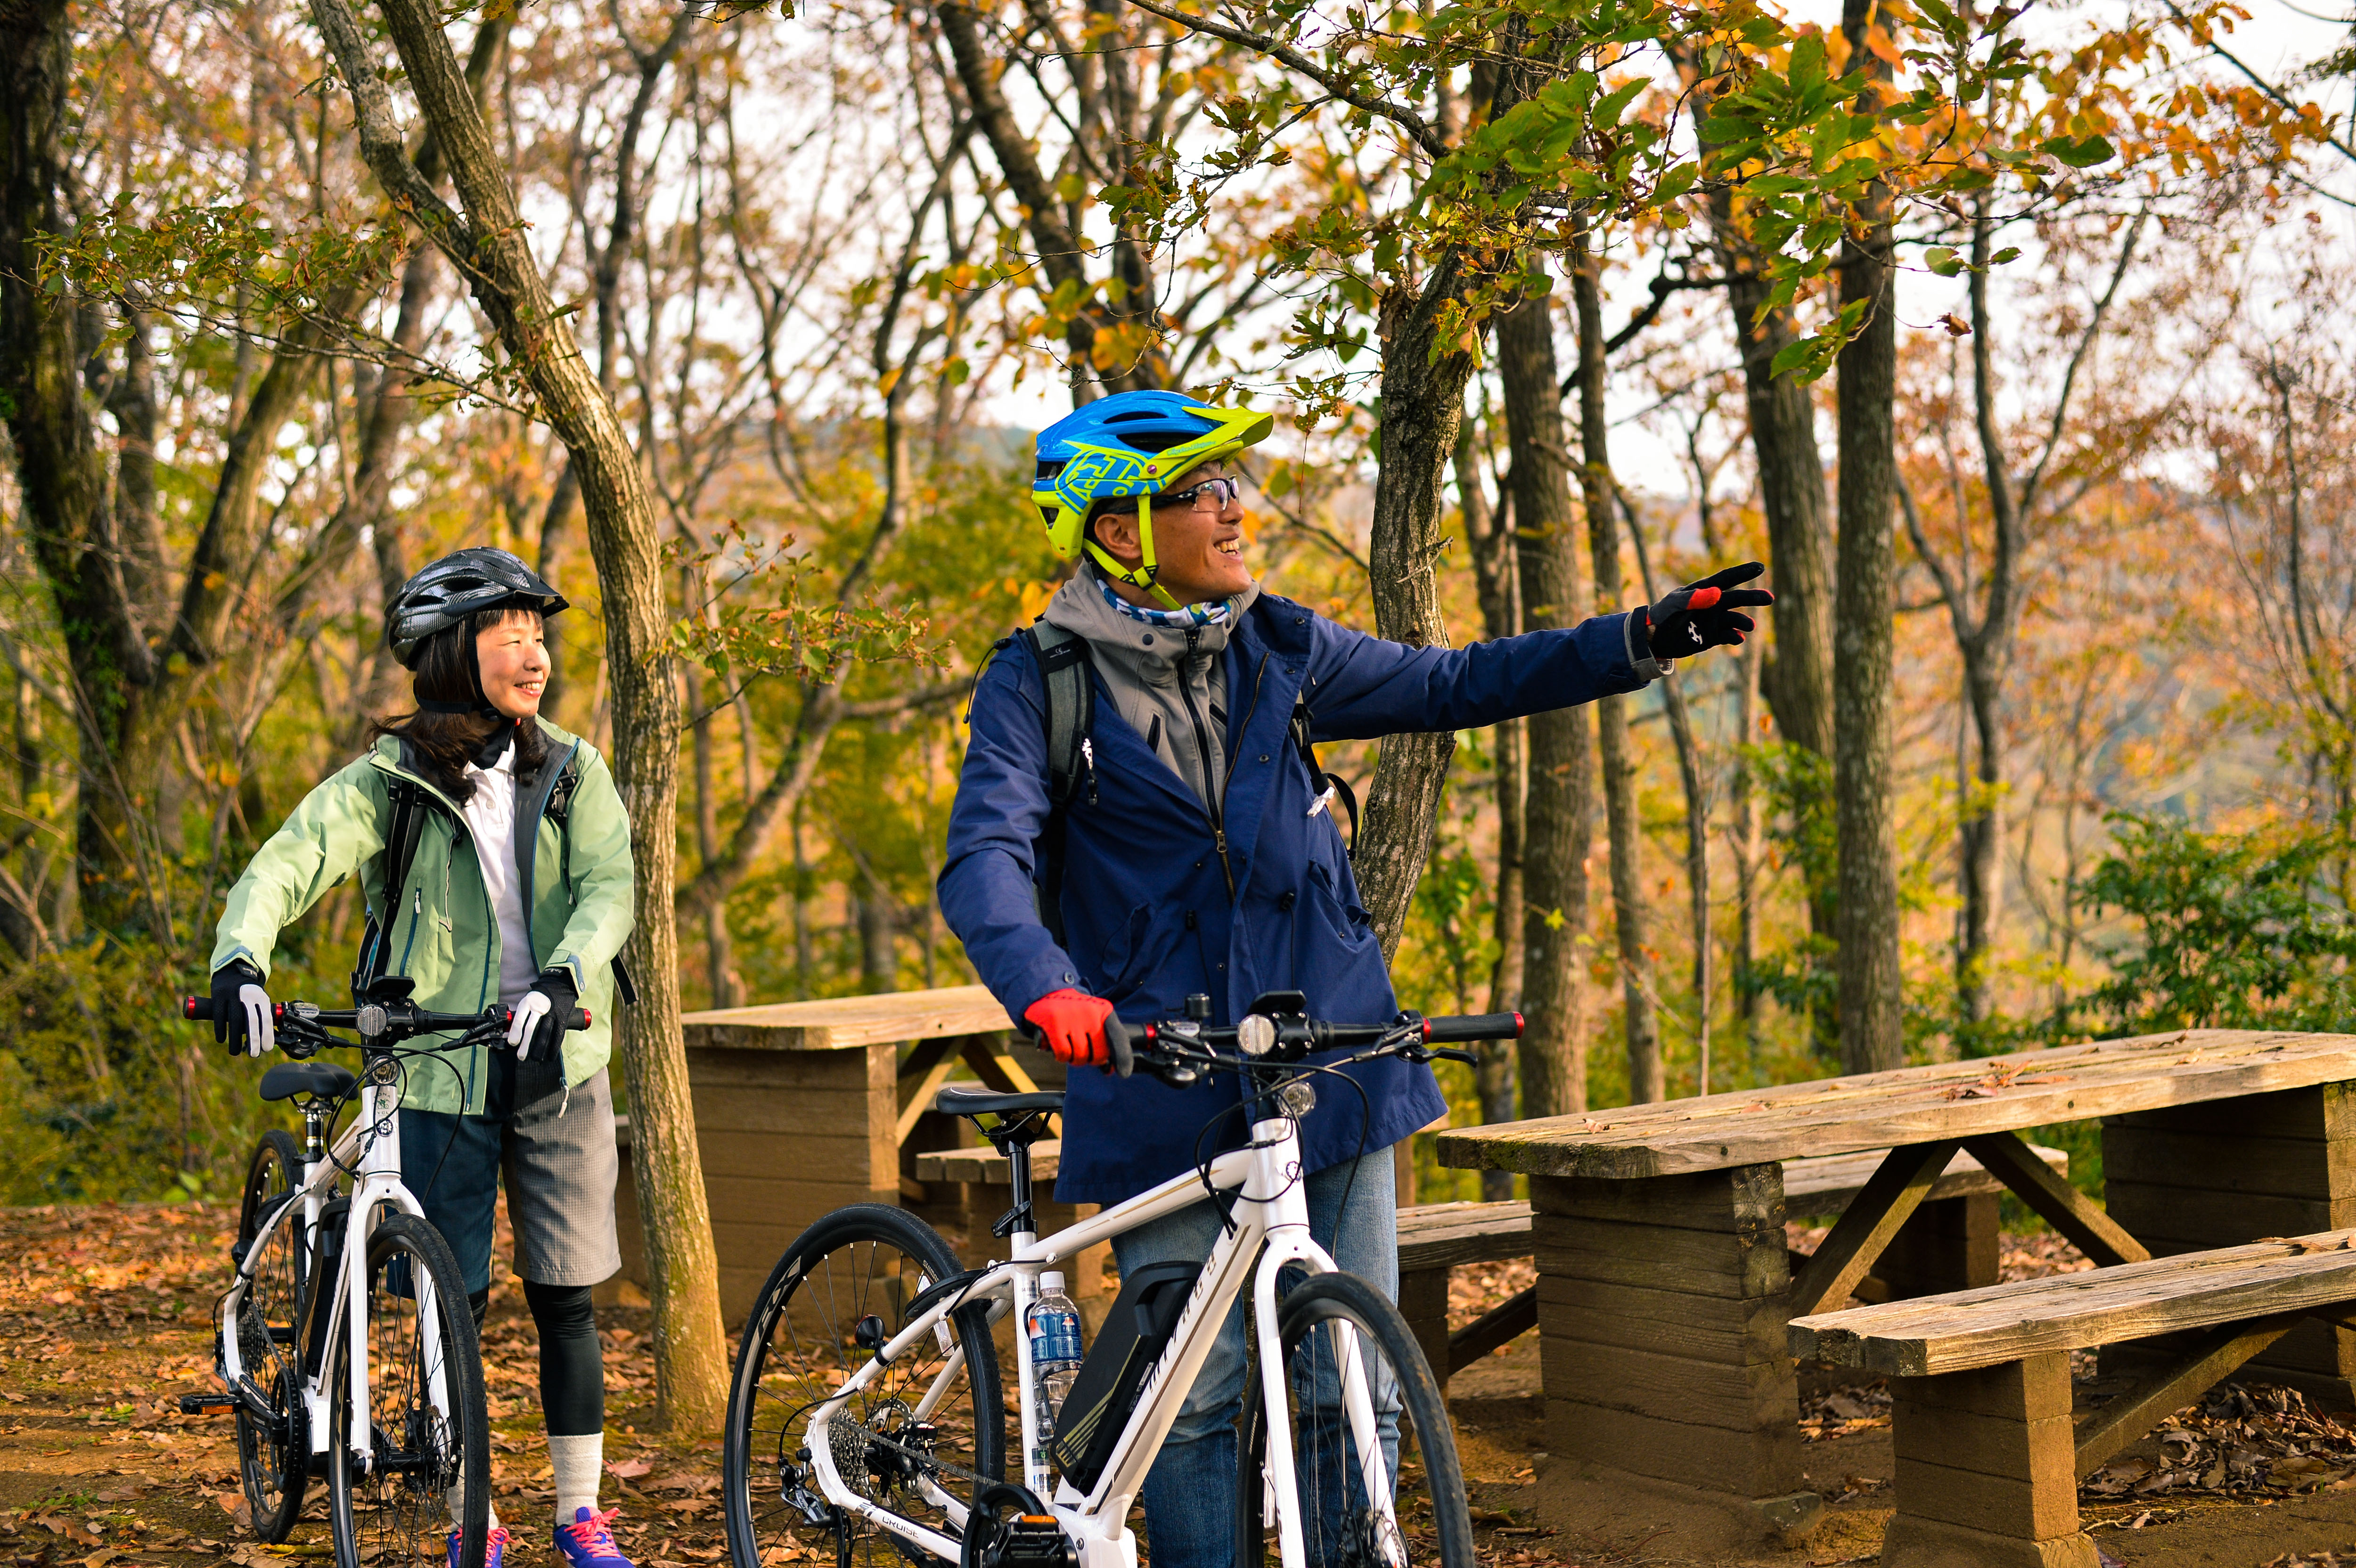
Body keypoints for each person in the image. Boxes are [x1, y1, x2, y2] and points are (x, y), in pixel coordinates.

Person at [938, 390, 1770, 1568]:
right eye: (1204, 494)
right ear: (1119, 529)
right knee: (1199, 1393)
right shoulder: (1039, 683)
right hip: (1163, 1075)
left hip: (1332, 1053)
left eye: (1236, 487)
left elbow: (1454, 682)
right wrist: (1045, 987)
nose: (1236, 513)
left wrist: (1639, 637)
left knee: (1352, 1379)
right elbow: (987, 857)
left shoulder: (1278, 646)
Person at [208, 548, 639, 1568]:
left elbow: (609, 888)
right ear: (455, 651)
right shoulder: (389, 781)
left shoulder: (573, 768)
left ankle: (580, 1512)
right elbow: (290, 860)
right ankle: (467, 1507)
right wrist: (240, 958)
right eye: (511, 631)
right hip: (436, 1063)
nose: (535, 650)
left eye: (541, 632)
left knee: (566, 1296)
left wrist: (569, 975)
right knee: (455, 1297)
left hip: (557, 1057)